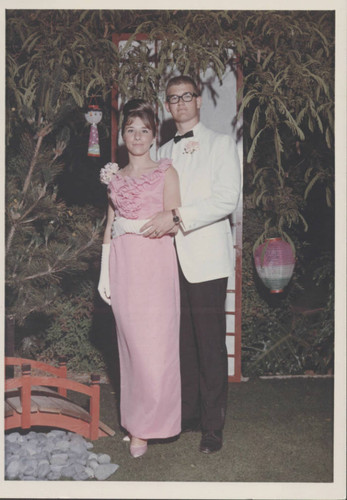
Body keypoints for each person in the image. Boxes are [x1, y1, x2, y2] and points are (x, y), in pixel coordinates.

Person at [140, 75, 241, 454]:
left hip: (206, 260)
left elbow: (226, 199)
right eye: (172, 98)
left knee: (210, 343)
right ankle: (187, 415)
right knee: (180, 344)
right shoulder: (162, 151)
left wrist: (178, 216)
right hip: (167, 262)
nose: (180, 103)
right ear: (167, 106)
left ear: (198, 101)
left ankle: (213, 427)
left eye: (186, 96)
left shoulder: (220, 143)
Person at [98, 99, 181, 458]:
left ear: (153, 135)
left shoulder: (167, 171)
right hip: (123, 264)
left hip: (156, 261)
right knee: (131, 348)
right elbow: (109, 223)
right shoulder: (113, 177)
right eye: (130, 129)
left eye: (144, 129)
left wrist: (166, 220)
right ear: (122, 135)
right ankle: (136, 426)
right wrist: (104, 271)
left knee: (155, 349)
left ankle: (156, 423)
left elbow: (177, 218)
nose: (136, 136)